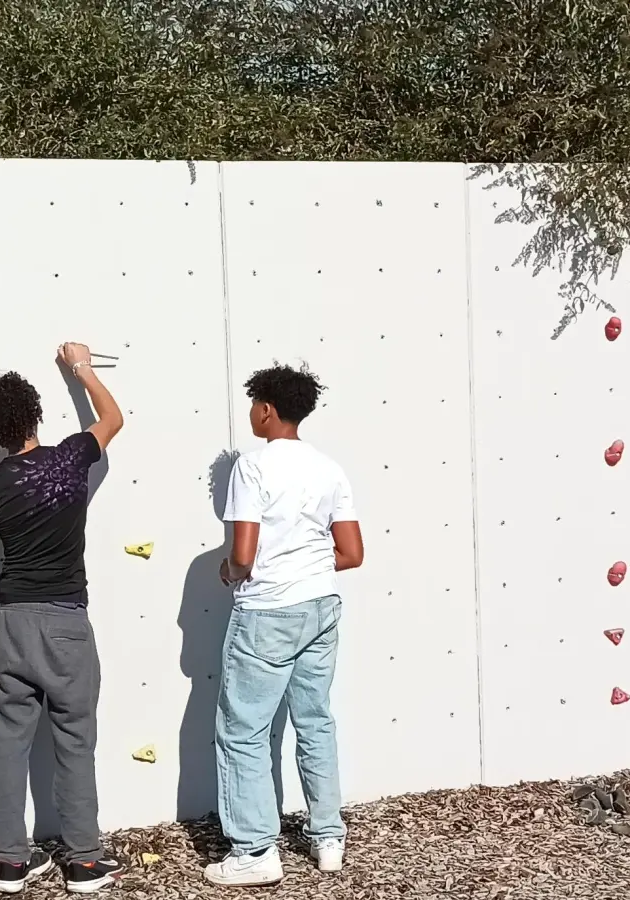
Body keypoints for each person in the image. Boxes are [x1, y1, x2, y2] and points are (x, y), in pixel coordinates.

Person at [0, 342, 127, 895]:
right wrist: (79, 366)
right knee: (76, 742)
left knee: (5, 745)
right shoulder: (71, 458)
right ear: (32, 414)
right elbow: (113, 418)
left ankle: (9, 862)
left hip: (10, 626)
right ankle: (84, 862)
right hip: (67, 625)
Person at [205, 363, 363, 888]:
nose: (251, 413)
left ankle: (254, 853)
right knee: (315, 720)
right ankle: (327, 838)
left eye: (254, 405)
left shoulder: (251, 468)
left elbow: (244, 556)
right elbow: (353, 553)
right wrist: (308, 564)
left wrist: (228, 570)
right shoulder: (329, 469)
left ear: (266, 409)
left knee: (243, 731)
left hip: (267, 612)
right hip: (320, 604)